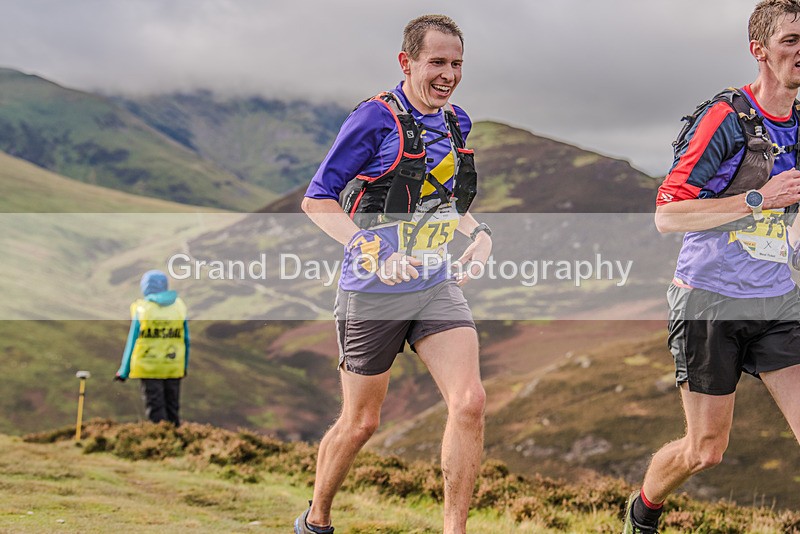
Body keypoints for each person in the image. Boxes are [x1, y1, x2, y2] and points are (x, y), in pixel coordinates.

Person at [295, 14, 491, 534]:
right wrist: (376, 253)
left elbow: (442, 200)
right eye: (437, 62)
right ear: (407, 62)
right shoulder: (373, 119)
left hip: (435, 284)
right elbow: (317, 200)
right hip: (372, 288)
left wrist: (479, 233)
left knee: (470, 402)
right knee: (361, 422)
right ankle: (316, 520)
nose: (449, 75)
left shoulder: (457, 122)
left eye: (457, 64)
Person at [624, 1, 800, 532]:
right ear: (759, 51)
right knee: (705, 450)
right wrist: (759, 199)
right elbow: (668, 214)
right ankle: (642, 514)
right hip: (709, 301)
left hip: (776, 302)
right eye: (791, 40)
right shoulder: (725, 119)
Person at [115, 270, 190, 427]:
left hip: (149, 367)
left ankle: (160, 437)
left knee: (156, 408)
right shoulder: (179, 307)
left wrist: (124, 371)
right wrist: (183, 367)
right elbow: (186, 340)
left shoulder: (142, 309)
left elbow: (132, 341)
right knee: (172, 407)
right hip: (173, 366)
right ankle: (176, 437)